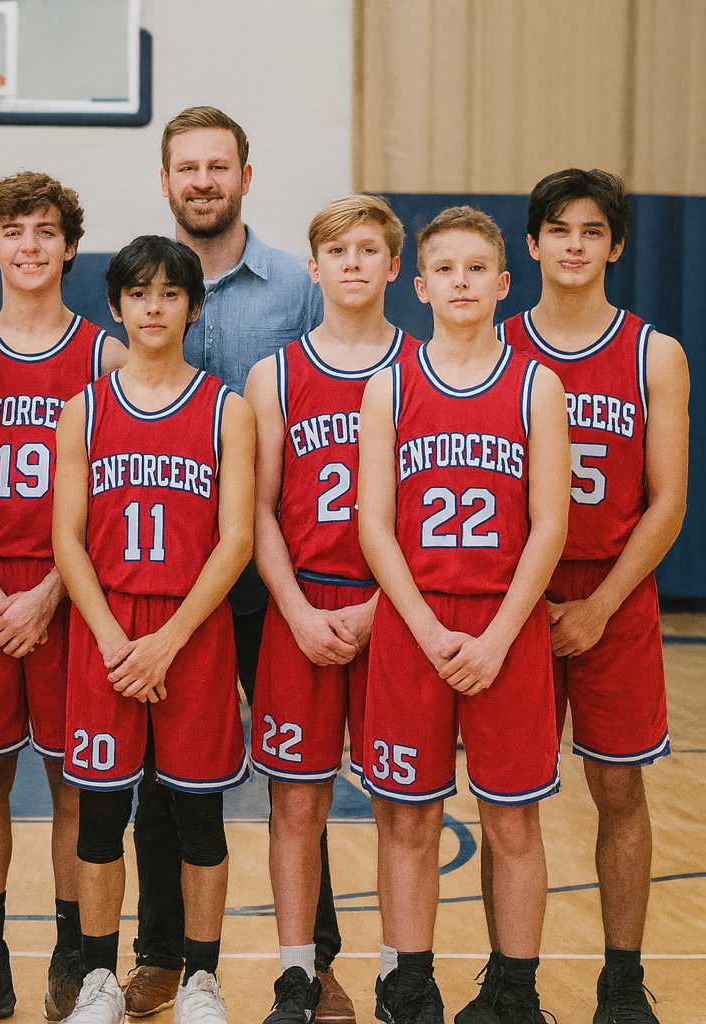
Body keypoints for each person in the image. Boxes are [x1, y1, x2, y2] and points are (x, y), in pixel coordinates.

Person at [137, 103, 348, 1020]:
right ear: (166, 181)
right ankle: (162, 956)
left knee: (299, 776)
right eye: (187, 168)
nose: (203, 182)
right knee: (158, 775)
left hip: (274, 572)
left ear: (245, 178)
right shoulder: (145, 282)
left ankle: (317, 962)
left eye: (218, 166)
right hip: (167, 577)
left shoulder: (298, 291)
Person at [478, 169, 687, 1024]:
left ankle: (621, 981)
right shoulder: (493, 345)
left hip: (614, 594)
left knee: (619, 792)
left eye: (592, 231)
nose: (574, 244)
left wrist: (600, 606)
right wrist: (515, 611)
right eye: (558, 229)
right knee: (506, 802)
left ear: (616, 245)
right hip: (513, 600)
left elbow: (667, 501)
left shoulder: (653, 353)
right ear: (530, 245)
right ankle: (508, 979)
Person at [356, 207, 569, 1023]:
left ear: (505, 282)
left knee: (513, 822)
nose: (461, 282)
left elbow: (549, 525)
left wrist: (498, 637)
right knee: (409, 821)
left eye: (478, 268)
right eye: (445, 269)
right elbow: (375, 526)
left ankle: (515, 993)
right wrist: (428, 630)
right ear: (419, 287)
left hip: (507, 625)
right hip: (415, 628)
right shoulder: (390, 386)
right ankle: (411, 984)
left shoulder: (536, 386)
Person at [52, 234, 254, 1024]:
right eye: (139, 293)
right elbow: (68, 539)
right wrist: (110, 637)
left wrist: (168, 641)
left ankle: (200, 979)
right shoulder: (85, 409)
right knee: (101, 813)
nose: (154, 307)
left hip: (190, 633)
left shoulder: (226, 409)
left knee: (199, 814)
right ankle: (99, 978)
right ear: (116, 306)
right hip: (107, 632)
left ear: (193, 308)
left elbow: (236, 540)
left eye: (171, 293)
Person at [0, 171, 127, 1023]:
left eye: (45, 231)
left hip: (71, 596)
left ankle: (70, 951)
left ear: (71, 247)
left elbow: (118, 498)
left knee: (71, 784)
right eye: (12, 231)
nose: (29, 246)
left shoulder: (104, 356)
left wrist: (51, 592)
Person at [245, 195, 410, 1022]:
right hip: (302, 607)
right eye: (337, 251)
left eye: (368, 249)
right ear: (313, 269)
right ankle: (296, 974)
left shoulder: (427, 368)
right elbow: (258, 510)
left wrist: (387, 608)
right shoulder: (274, 375)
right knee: (296, 805)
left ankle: (401, 974)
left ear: (394, 267)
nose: (353, 263)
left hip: (399, 613)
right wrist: (298, 610)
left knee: (401, 806)